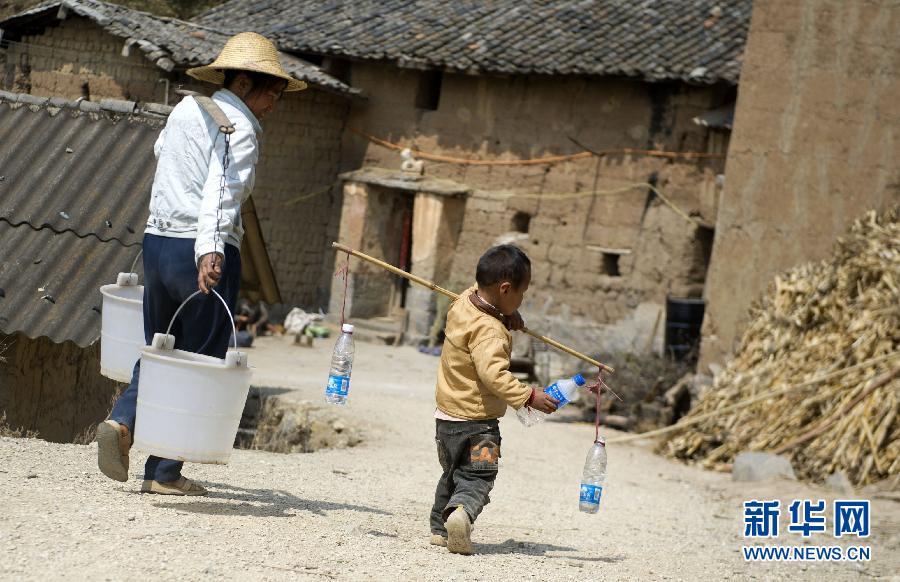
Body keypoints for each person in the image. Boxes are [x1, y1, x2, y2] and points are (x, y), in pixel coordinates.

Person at [95, 32, 306, 496]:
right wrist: (210, 249)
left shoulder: (187, 109)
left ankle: (122, 421)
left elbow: (162, 158)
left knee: (160, 346)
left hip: (158, 243)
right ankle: (164, 471)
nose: (274, 102)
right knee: (199, 355)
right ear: (248, 81)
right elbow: (222, 191)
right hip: (201, 249)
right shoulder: (241, 128)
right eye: (272, 91)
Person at [429, 245, 558, 554]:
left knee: (452, 474)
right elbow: (494, 376)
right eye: (521, 293)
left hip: (446, 419)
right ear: (504, 288)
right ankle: (461, 515)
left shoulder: (462, 304)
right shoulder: (490, 332)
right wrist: (528, 395)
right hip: (479, 426)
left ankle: (438, 529)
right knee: (479, 476)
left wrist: (507, 311)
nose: (522, 299)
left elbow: (480, 293)